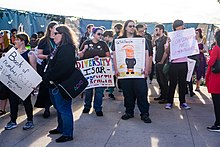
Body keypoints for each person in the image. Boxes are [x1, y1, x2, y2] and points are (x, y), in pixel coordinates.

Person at [112, 20, 151, 123]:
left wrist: (147, 68)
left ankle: (144, 114)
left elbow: (147, 54)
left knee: (141, 93)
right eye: (130, 26)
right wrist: (116, 69)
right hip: (124, 73)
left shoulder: (141, 40)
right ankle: (129, 112)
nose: (132, 28)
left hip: (139, 72)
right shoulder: (119, 40)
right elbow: (115, 55)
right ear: (125, 27)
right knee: (128, 93)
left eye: (133, 26)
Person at [43, 25, 77, 142]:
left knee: (64, 109)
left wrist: (48, 77)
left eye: (56, 33)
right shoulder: (59, 47)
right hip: (54, 83)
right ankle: (61, 127)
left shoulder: (67, 48)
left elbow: (63, 68)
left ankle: (68, 133)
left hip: (61, 84)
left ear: (63, 35)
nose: (53, 35)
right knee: (59, 108)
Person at [5, 32, 37, 130]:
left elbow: (34, 70)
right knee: (13, 102)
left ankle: (30, 120)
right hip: (13, 83)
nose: (14, 41)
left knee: (26, 102)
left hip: (25, 84)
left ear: (22, 41)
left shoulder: (30, 54)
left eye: (17, 39)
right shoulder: (12, 53)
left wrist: (33, 84)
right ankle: (13, 120)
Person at [79, 27, 110, 116]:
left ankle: (98, 108)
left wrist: (100, 58)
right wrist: (84, 49)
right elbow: (80, 55)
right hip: (89, 72)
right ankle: (87, 106)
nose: (100, 36)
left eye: (102, 34)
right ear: (94, 34)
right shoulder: (87, 42)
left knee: (99, 91)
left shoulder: (103, 44)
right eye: (98, 34)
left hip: (100, 71)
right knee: (88, 90)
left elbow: (108, 57)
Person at [164, 20, 191, 110]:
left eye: (182, 26)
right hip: (174, 63)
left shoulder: (186, 37)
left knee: (183, 84)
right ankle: (169, 102)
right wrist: (170, 43)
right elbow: (167, 52)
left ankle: (183, 102)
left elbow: (190, 49)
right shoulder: (171, 37)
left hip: (184, 62)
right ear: (175, 27)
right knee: (172, 83)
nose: (181, 27)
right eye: (179, 26)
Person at [34, 21, 58, 118]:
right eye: (56, 27)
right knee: (46, 87)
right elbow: (39, 55)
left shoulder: (59, 38)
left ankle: (57, 106)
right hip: (46, 67)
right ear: (50, 28)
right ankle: (46, 108)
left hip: (57, 67)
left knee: (56, 87)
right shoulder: (43, 40)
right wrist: (47, 56)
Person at [206, 30, 220, 132]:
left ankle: (218, 124)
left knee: (217, 103)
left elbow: (211, 62)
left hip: (216, 78)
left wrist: (208, 58)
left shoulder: (216, 48)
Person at [152, 24, 169, 104]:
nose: (155, 31)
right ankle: (162, 95)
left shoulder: (165, 39)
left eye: (157, 30)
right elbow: (152, 46)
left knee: (163, 80)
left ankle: (166, 97)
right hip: (157, 61)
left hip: (163, 62)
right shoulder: (158, 39)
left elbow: (166, 51)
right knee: (159, 80)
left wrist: (162, 61)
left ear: (161, 30)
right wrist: (154, 38)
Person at [0, 30, 13, 116]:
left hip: (9, 73)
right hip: (0, 72)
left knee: (7, 91)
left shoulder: (11, 48)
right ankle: (2, 109)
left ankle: (6, 109)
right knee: (1, 91)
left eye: (0, 37)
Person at [103, 30, 116, 99]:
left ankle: (111, 92)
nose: (104, 38)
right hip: (107, 63)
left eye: (104, 37)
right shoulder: (107, 43)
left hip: (113, 63)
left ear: (107, 36)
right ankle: (109, 91)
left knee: (112, 78)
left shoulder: (114, 43)